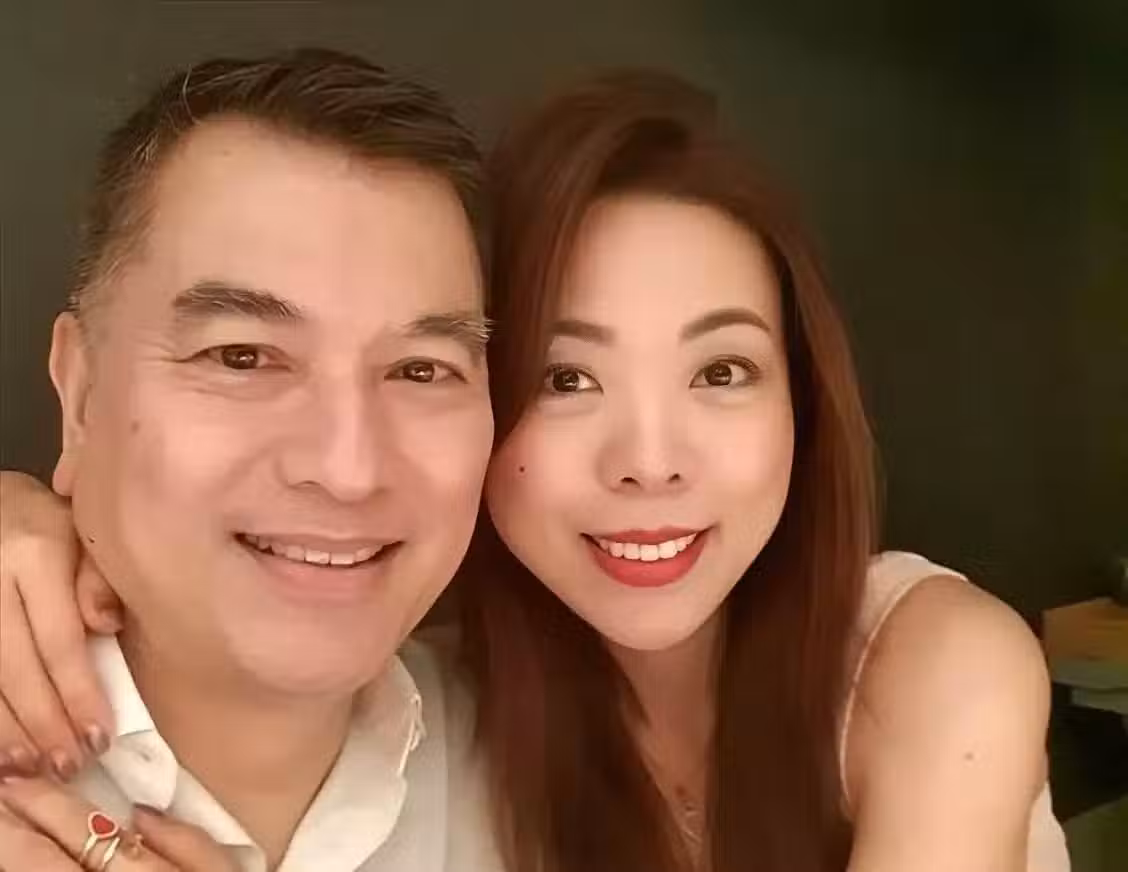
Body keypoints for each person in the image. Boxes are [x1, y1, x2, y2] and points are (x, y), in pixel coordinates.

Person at [1, 70, 1069, 872]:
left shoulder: (921, 665)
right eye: (564, 377)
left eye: (723, 370)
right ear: (79, 392)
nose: (650, 462)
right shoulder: (479, 707)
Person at [0, 47, 498, 871]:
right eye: (242, 357)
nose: (348, 469)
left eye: (420, 370)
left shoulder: (570, 774)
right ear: (82, 396)